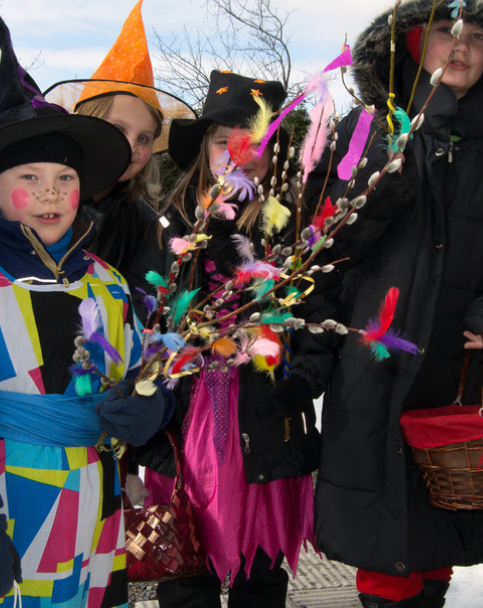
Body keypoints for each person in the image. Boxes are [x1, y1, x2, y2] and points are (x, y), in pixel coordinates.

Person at [295, 0, 483, 608]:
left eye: (478, 34)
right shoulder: (369, 134)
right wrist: (372, 198)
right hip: (376, 366)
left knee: (444, 522)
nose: (460, 46)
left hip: (467, 363)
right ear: (413, 40)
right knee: (382, 536)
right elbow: (320, 255)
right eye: (445, 30)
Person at [0, 15, 171, 608]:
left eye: (65, 178)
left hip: (92, 509)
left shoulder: (107, 284)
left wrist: (150, 407)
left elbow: (145, 372)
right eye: (30, 177)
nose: (50, 193)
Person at [133, 69, 318, 608]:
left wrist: (301, 371)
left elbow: (313, 311)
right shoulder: (167, 227)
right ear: (206, 149)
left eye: (256, 141)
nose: (241, 151)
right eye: (225, 140)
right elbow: (143, 317)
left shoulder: (290, 228)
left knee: (259, 574)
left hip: (262, 419)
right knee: (185, 567)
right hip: (185, 425)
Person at [0, 0, 194, 324]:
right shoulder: (20, 179)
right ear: (94, 123)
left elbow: (137, 306)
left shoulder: (142, 221)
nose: (131, 146)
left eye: (144, 138)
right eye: (119, 130)